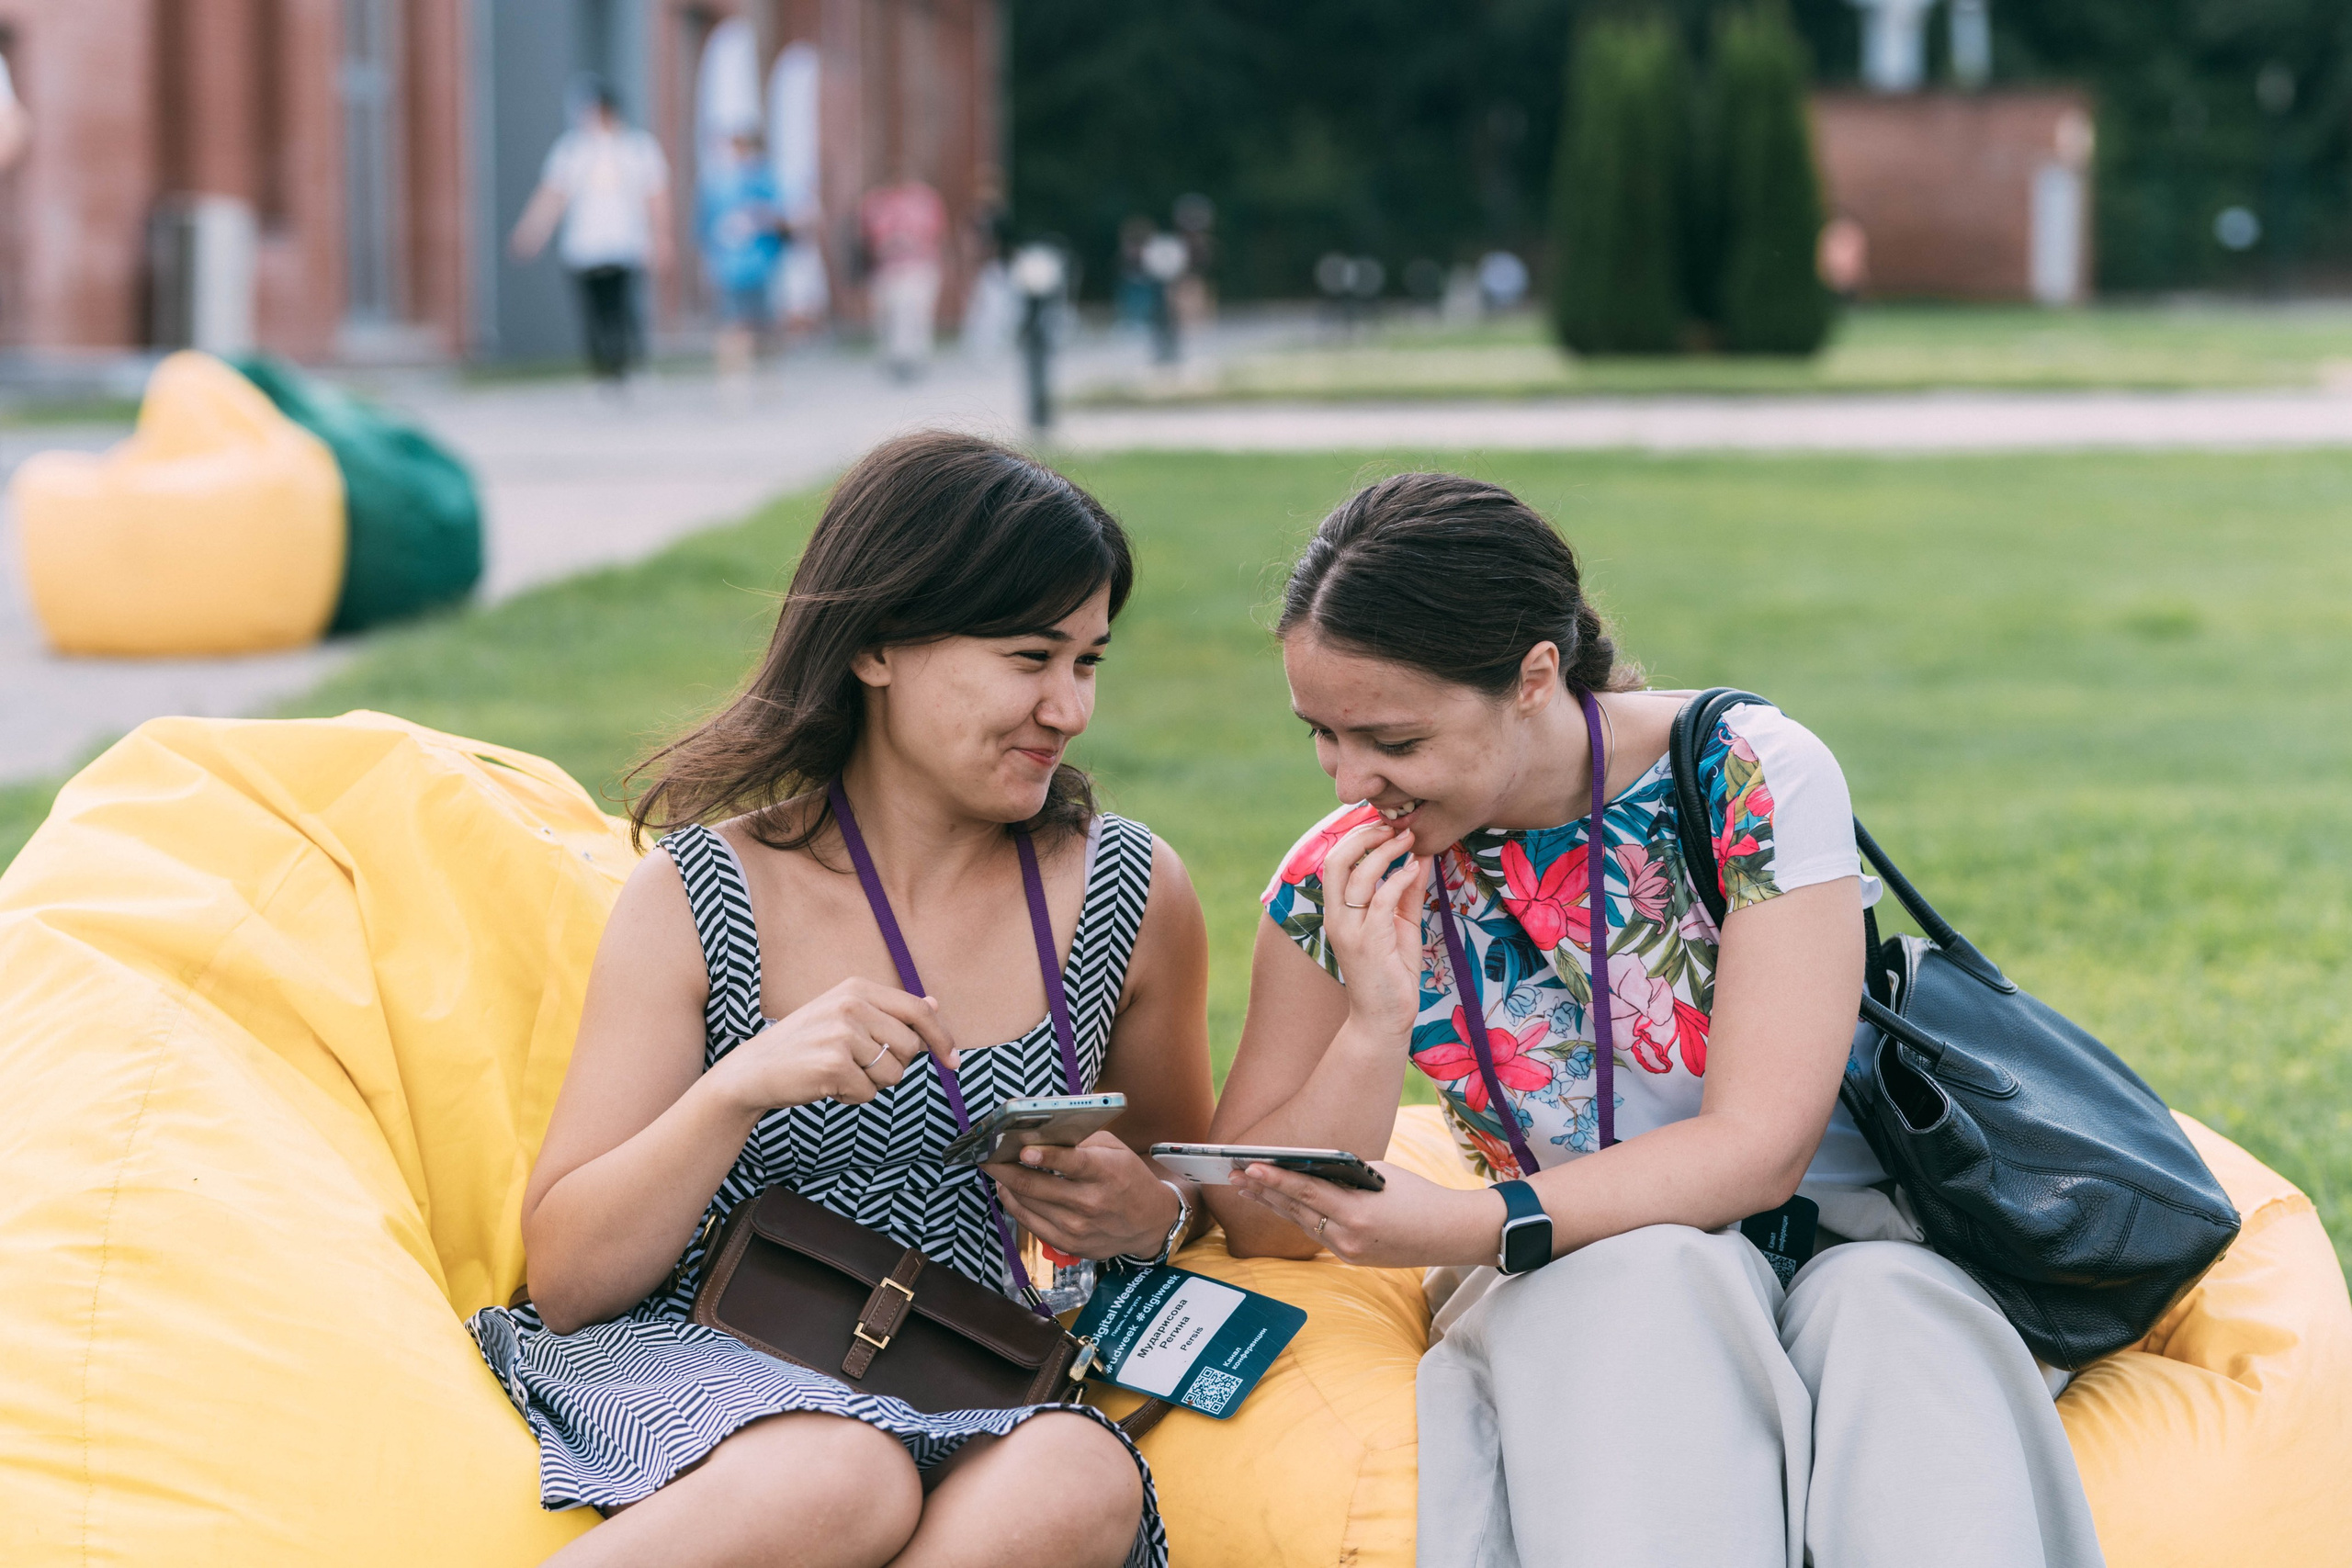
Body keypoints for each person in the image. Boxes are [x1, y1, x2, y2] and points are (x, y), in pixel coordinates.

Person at [1205, 472, 2105, 1568]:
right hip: (1583, 1272)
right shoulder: (1335, 879)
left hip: (1841, 1239)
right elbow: (1252, 1217)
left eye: (1391, 739)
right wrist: (1375, 1019)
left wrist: (1453, 1226)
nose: (1353, 781)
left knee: (1894, 1318)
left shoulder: (1743, 775)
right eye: (1321, 735)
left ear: (1535, 676)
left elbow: (1758, 1150)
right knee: (1650, 1285)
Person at [469, 432, 1216, 1568]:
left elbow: (1194, 1184)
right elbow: (570, 1277)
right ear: (876, 646)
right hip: (718, 1350)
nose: (1068, 709)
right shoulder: (701, 894)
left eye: (1089, 663)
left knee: (1076, 1477)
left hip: (983, 1366)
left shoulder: (1128, 890)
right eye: (1030, 658)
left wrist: (1149, 1213)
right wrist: (739, 1087)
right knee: (836, 1474)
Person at [511, 82, 673, 383]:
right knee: (593, 310)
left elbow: (655, 196)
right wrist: (532, 231)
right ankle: (602, 370)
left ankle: (628, 364)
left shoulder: (637, 148)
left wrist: (662, 236)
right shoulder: (572, 150)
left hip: (625, 242)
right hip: (585, 245)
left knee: (623, 305)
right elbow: (552, 196)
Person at [697, 130, 786, 385]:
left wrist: (757, 218)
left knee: (765, 326)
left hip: (762, 264)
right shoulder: (714, 185)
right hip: (728, 267)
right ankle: (734, 379)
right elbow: (704, 229)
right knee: (731, 325)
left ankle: (769, 375)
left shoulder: (764, 178)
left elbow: (786, 217)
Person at [859, 175, 946, 379]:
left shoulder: (926, 199)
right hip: (886, 267)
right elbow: (864, 238)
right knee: (888, 316)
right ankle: (893, 359)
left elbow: (939, 233)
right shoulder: (874, 201)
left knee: (913, 312)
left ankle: (913, 359)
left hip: (918, 264)